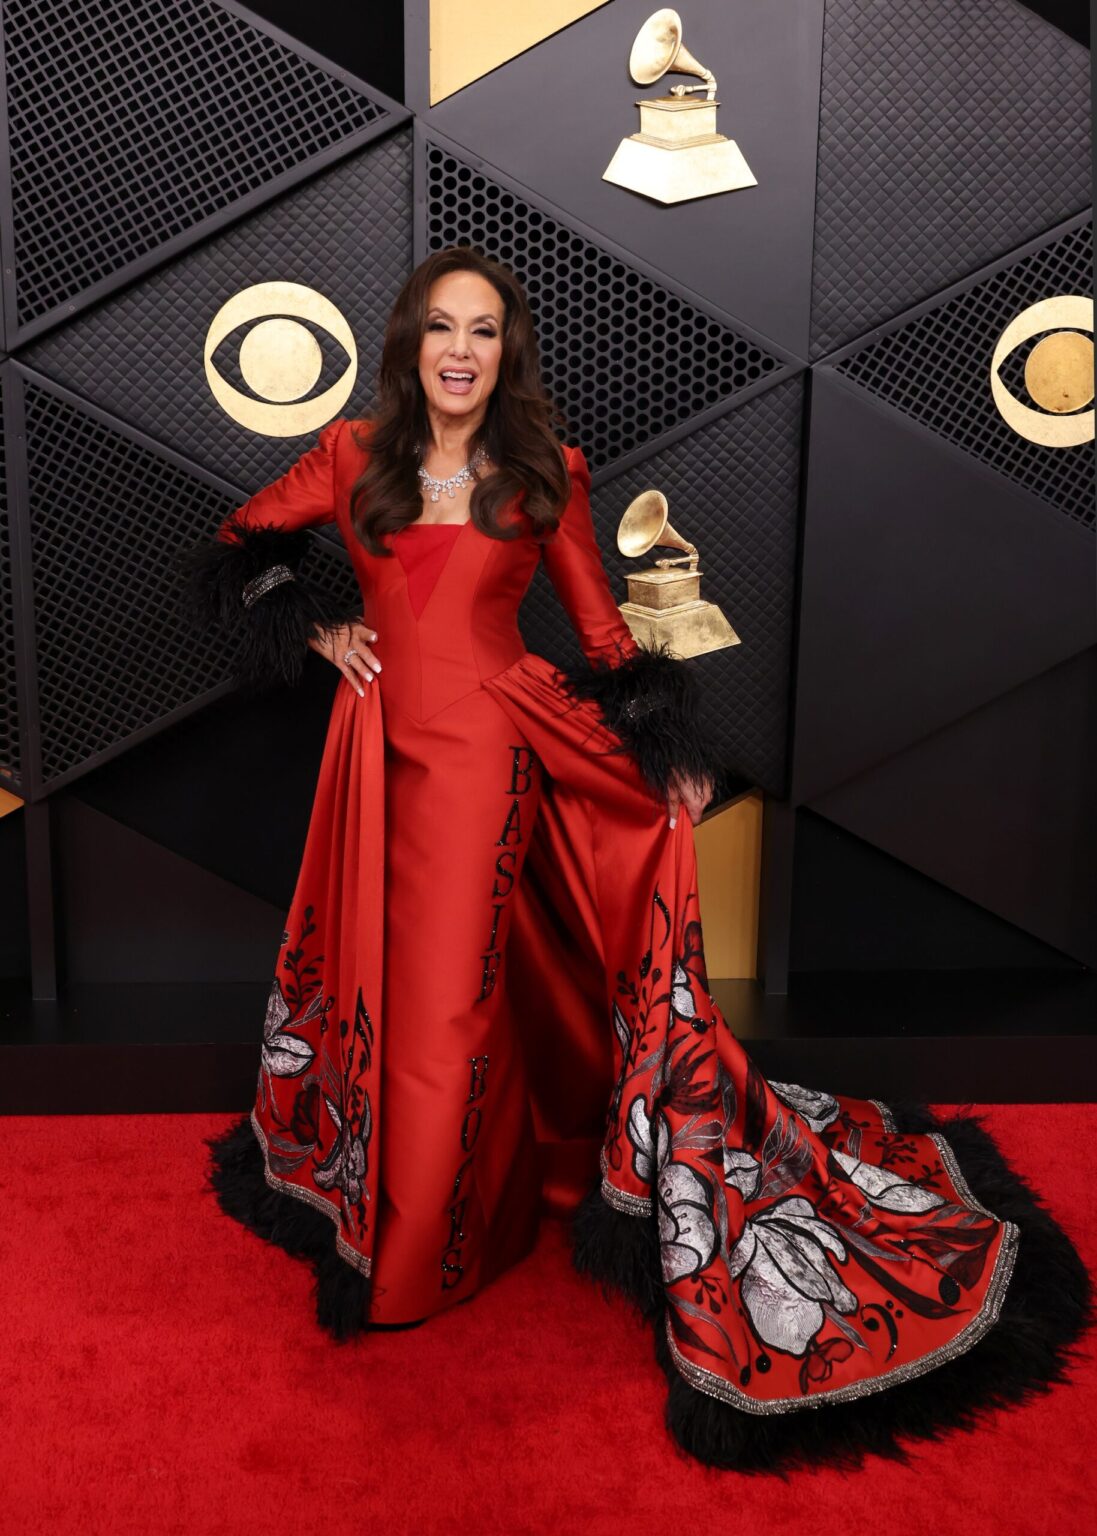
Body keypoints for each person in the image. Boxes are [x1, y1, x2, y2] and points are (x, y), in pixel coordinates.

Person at [181, 246, 1091, 1475]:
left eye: (483, 331)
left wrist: (663, 750)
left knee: (443, 1006)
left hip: (491, 756)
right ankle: (474, 1191)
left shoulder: (545, 472)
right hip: (375, 754)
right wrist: (318, 623)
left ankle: (415, 1261)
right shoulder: (350, 454)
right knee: (392, 989)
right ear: (408, 343)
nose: (460, 351)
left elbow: (601, 629)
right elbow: (243, 539)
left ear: (506, 351)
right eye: (441, 327)